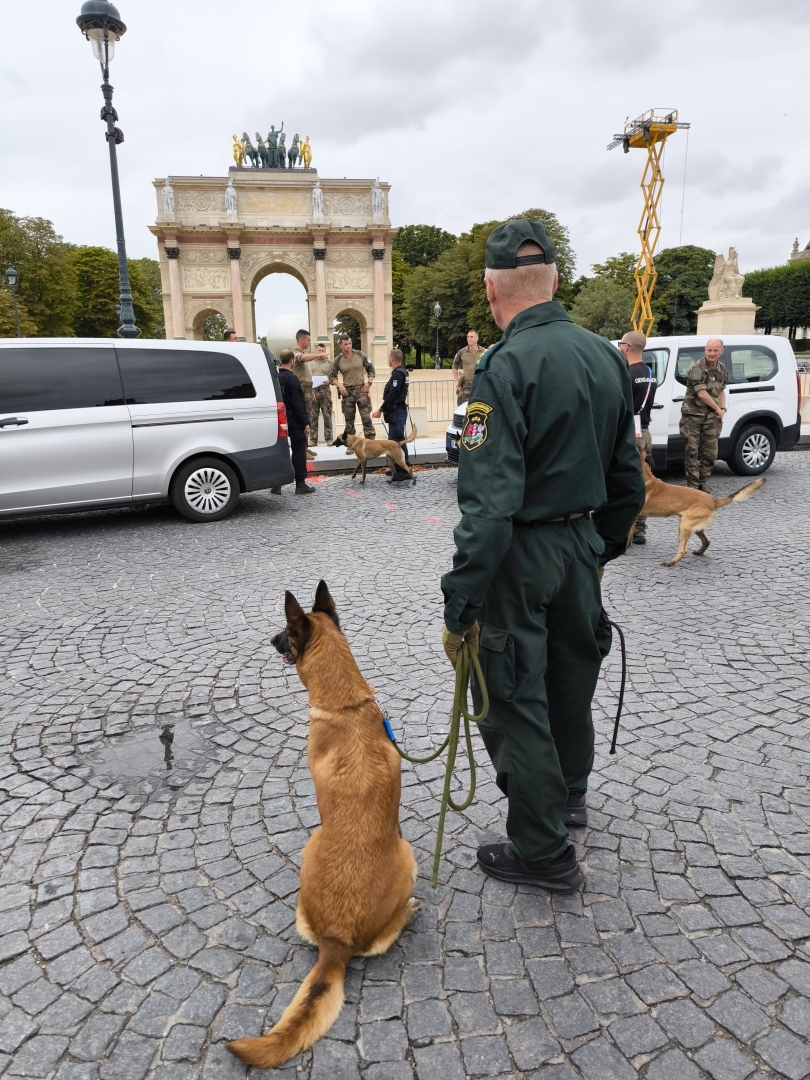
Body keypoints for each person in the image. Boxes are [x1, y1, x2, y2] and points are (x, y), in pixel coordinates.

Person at [440, 219, 644, 892]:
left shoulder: (501, 367)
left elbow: (489, 506)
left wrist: (461, 600)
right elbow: (627, 479)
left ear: (491, 291)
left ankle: (543, 852)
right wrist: (597, 549)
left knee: (511, 697)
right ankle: (570, 794)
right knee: (570, 679)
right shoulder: (606, 356)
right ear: (554, 282)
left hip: (521, 555)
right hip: (580, 546)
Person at [618, 330, 657, 544]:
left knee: (626, 481)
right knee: (644, 482)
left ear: (626, 347)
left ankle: (626, 529)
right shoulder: (650, 373)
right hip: (646, 431)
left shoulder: (626, 373)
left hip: (631, 435)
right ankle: (641, 528)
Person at [680, 338, 728, 492]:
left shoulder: (722, 369)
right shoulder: (697, 368)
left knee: (711, 453)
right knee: (691, 451)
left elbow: (721, 391)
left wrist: (722, 408)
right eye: (709, 350)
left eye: (715, 350)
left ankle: (702, 480)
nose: (712, 353)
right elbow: (701, 394)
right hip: (693, 415)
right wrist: (717, 408)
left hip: (712, 417)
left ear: (722, 351)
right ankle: (692, 485)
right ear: (704, 349)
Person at [272, 349, 315, 496]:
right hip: (293, 418)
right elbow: (298, 403)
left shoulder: (275, 378)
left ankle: (276, 485)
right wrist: (305, 422)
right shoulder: (293, 379)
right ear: (292, 361)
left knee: (279, 450)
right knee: (298, 450)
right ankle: (300, 483)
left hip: (278, 417)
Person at [373, 349, 411, 481]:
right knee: (394, 440)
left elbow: (392, 394)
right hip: (396, 410)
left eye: (388, 358)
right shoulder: (401, 372)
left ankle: (404, 469)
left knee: (397, 441)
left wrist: (380, 409)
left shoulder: (398, 374)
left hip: (396, 411)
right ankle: (398, 467)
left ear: (391, 359)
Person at [329, 333, 376, 439]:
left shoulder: (360, 355)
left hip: (361, 390)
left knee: (366, 418)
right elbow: (331, 376)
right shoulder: (338, 359)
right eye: (345, 344)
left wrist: (369, 382)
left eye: (349, 343)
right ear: (340, 345)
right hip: (347, 393)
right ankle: (350, 443)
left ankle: (371, 442)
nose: (348, 346)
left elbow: (371, 369)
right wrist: (339, 386)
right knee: (349, 420)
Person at [308, 343, 334, 445]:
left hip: (325, 391)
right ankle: (313, 439)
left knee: (327, 415)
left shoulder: (330, 364)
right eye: (319, 351)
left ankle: (329, 438)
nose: (321, 353)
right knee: (313, 416)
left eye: (323, 351)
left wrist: (330, 380)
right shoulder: (310, 363)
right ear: (316, 351)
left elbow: (333, 376)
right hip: (313, 391)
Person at [452, 330, 487, 405]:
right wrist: (456, 381)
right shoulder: (461, 352)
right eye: (468, 337)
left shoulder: (485, 352)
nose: (469, 338)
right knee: (462, 410)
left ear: (477, 338)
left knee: (480, 410)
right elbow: (454, 367)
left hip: (481, 386)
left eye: (471, 337)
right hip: (466, 386)